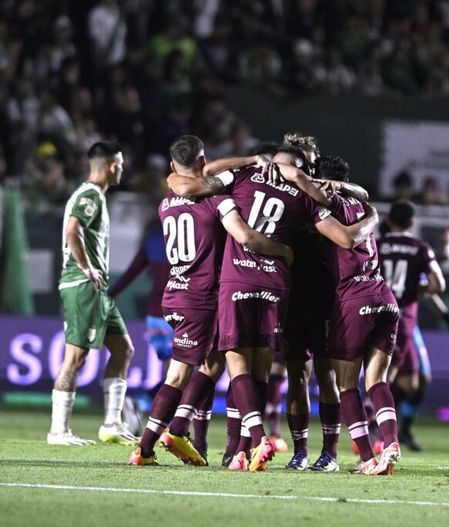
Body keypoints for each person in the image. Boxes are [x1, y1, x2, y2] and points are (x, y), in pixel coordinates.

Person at [168, 145, 378, 472]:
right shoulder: (305, 195)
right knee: (278, 372)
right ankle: (255, 449)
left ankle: (259, 447)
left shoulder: (247, 178)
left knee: (244, 366)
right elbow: (344, 231)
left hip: (273, 288)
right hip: (284, 290)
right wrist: (369, 215)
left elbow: (201, 176)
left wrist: (261, 164)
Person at [128, 135, 293, 466]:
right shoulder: (216, 202)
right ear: (203, 163)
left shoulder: (165, 204)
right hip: (202, 297)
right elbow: (245, 235)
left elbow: (183, 184)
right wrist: (284, 251)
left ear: (174, 167)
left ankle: (183, 432)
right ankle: (148, 447)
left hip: (175, 293)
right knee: (194, 371)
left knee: (216, 363)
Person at [273, 157, 402, 475]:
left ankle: (365, 457)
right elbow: (364, 199)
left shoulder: (323, 209)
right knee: (376, 380)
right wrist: (372, 215)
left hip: (351, 299)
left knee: (345, 385)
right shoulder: (360, 205)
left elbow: (345, 238)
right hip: (383, 296)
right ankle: (391, 444)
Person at [49, 141, 137, 446]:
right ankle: (58, 431)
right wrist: (86, 268)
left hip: (98, 288)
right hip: (83, 284)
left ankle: (112, 423)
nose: (123, 169)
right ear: (113, 166)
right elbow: (72, 230)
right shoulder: (89, 195)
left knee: (124, 349)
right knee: (75, 357)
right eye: (121, 164)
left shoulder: (94, 195)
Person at [379, 201, 447, 451]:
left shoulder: (377, 244)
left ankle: (382, 426)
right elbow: (438, 284)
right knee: (388, 374)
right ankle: (371, 425)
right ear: (412, 222)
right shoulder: (419, 248)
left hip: (374, 310)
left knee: (406, 382)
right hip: (401, 316)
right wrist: (416, 287)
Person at [108, 217, 171, 404]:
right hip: (177, 315)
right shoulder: (187, 238)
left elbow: (131, 273)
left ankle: (161, 416)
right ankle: (142, 403)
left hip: (154, 317)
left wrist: (109, 295)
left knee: (174, 372)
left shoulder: (151, 241)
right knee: (184, 373)